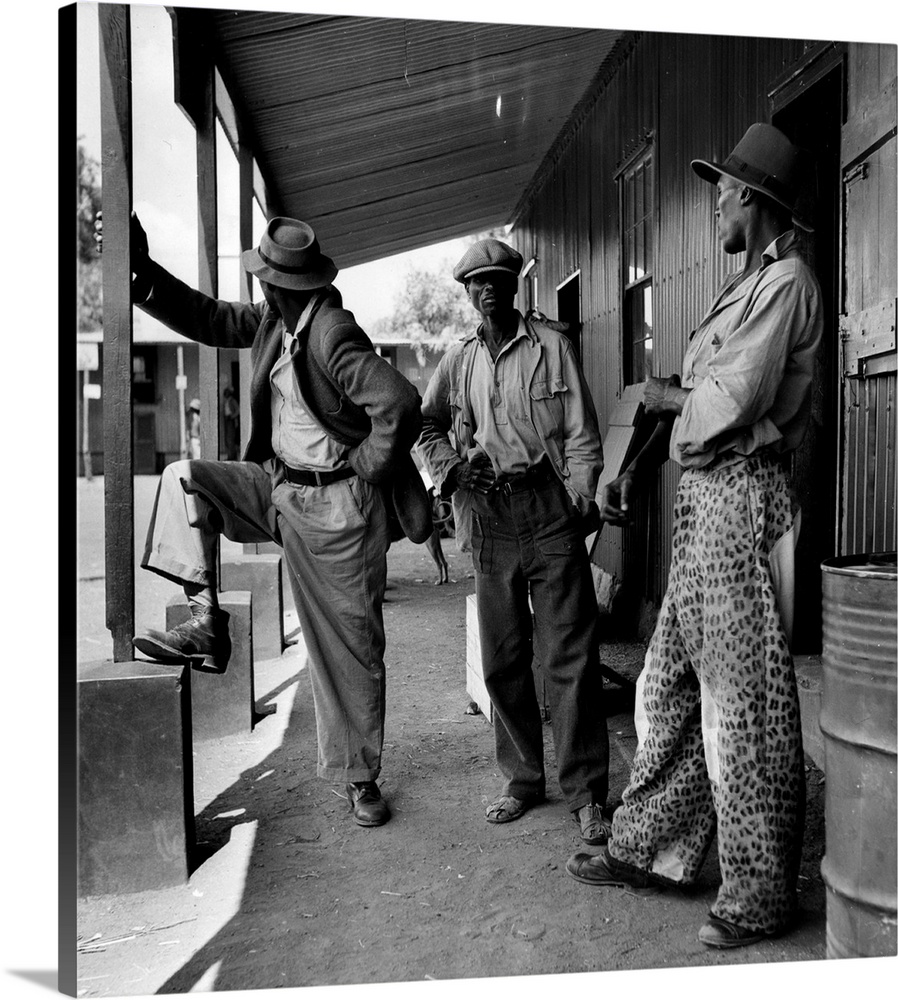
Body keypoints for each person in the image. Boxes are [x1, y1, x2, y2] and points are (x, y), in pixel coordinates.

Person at [565, 123, 823, 949]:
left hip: (745, 500)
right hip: (703, 500)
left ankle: (757, 896)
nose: (715, 200)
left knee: (742, 710)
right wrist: (648, 444)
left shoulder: (787, 283)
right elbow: (689, 397)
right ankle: (654, 848)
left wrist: (669, 399)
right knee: (664, 682)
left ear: (750, 199)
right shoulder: (744, 286)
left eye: (722, 189)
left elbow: (729, 402)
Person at [96, 212, 431, 827]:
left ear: (285, 283)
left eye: (266, 277)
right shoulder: (277, 321)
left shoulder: (331, 331)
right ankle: (207, 619)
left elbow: (400, 403)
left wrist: (367, 462)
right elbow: (207, 317)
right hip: (279, 488)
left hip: (338, 510)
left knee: (348, 648)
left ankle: (361, 779)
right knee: (187, 478)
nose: (258, 287)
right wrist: (141, 271)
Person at [417, 238, 611, 845]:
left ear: (515, 284)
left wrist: (580, 501)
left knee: (569, 655)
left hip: (548, 508)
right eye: (477, 282)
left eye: (498, 277)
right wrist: (449, 469)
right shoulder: (458, 361)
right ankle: (524, 779)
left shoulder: (552, 348)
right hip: (488, 517)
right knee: (502, 658)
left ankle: (587, 794)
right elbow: (421, 428)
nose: (488, 288)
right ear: (467, 293)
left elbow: (581, 432)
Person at [222, 385, 240, 460]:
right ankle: (230, 455)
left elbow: (238, 410)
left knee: (231, 439)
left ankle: (232, 456)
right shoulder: (227, 401)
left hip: (231, 421)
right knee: (227, 439)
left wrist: (232, 416)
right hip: (227, 420)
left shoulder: (232, 401)